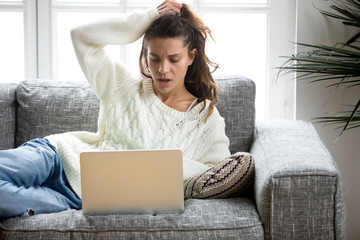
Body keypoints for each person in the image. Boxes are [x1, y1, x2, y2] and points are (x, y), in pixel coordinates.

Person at [0, 0, 254, 219]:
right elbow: (81, 36)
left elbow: (217, 175)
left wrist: (172, 171)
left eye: (173, 59)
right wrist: (149, 16)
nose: (163, 69)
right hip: (56, 157)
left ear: (191, 56)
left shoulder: (205, 119)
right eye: (154, 58)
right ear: (145, 56)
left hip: (81, 199)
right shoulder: (123, 86)